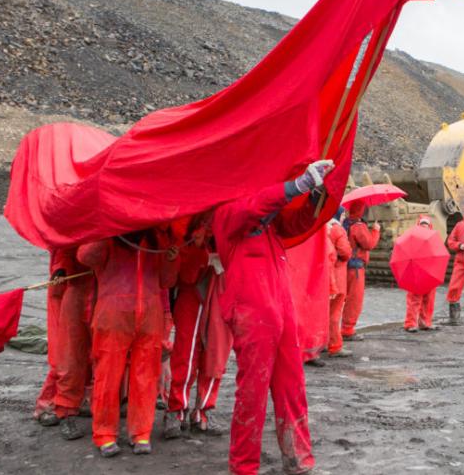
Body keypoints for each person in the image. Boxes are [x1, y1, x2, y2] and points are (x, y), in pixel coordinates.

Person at [211, 159, 334, 475]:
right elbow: (252, 207)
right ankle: (243, 465)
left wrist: (316, 196)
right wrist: (294, 186)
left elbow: (297, 225)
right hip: (252, 315)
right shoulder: (227, 218)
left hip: (280, 312)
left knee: (292, 385)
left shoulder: (270, 229)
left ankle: (297, 456)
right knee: (252, 391)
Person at [79, 227, 180, 458]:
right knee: (107, 376)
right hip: (113, 315)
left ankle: (141, 432)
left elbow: (167, 280)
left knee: (145, 377)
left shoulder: (158, 237)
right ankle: (104, 434)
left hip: (149, 316)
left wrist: (171, 259)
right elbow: (85, 258)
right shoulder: (110, 235)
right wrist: (106, 232)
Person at [164, 220, 231, 439]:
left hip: (223, 293)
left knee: (216, 353)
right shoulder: (188, 224)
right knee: (185, 353)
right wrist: (201, 253)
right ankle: (176, 409)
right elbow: (182, 271)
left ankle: (204, 410)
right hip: (191, 294)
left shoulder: (233, 221)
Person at [53, 248, 95, 440]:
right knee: (71, 357)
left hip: (107, 293)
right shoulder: (75, 223)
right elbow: (64, 247)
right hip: (77, 291)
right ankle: (66, 411)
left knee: (105, 358)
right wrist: (61, 269)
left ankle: (102, 413)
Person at [34, 249, 74, 427]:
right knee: (63, 357)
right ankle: (48, 404)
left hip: (88, 288)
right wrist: (60, 269)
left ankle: (77, 400)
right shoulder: (63, 234)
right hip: (66, 289)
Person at [342, 201, 381, 341]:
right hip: (356, 268)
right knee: (354, 299)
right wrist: (376, 230)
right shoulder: (359, 226)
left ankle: (335, 329)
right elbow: (369, 244)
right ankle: (347, 329)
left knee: (341, 299)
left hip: (343, 266)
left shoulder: (345, 223)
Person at [404, 215, 441, 332]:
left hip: (430, 273)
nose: (424, 227)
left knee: (428, 299)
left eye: (426, 225)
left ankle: (425, 322)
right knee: (414, 299)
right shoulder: (412, 239)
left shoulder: (435, 239)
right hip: (417, 273)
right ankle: (410, 323)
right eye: (422, 225)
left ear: (429, 227)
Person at [327, 208, 353, 353]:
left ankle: (322, 342)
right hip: (337, 275)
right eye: (343, 214)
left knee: (324, 312)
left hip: (324, 275)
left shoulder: (323, 228)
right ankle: (335, 345)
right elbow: (345, 251)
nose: (344, 217)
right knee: (335, 313)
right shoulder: (338, 229)